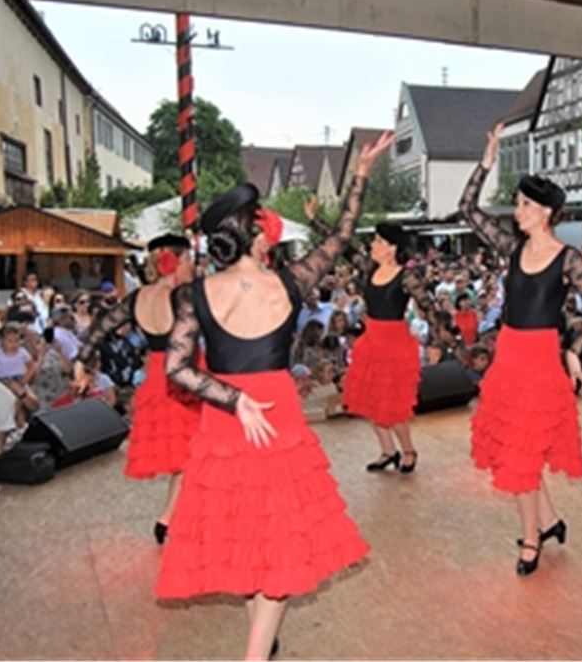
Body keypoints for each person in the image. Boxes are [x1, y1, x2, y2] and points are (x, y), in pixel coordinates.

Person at [158, 133, 390, 660]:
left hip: (226, 422)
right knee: (276, 540)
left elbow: (175, 369)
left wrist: (231, 398)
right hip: (277, 419)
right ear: (254, 231)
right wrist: (361, 172)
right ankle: (257, 651)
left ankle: (257, 648)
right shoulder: (291, 282)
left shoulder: (195, 294)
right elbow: (344, 233)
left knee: (244, 535)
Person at [458, 122, 582, 576]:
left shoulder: (568, 259)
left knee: (523, 452)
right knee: (519, 447)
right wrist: (486, 162)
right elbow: (467, 208)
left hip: (542, 363)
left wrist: (574, 350)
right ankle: (552, 521)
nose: (516, 211)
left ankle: (531, 538)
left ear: (545, 213)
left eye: (524, 204)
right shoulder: (511, 248)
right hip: (509, 360)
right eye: (518, 202)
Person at [73, 234, 200, 545]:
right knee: (197, 453)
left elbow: (100, 328)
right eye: (188, 260)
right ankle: (179, 519)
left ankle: (169, 518)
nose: (192, 266)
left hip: (157, 378)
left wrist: (80, 362)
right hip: (186, 377)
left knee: (188, 457)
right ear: (176, 261)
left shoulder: (137, 298)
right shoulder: (183, 296)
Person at [338, 222, 433, 475]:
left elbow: (429, 306)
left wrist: (436, 341)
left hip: (395, 345)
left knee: (394, 404)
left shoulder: (407, 276)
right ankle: (388, 451)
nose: (372, 245)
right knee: (373, 401)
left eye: (378, 241)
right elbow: (344, 247)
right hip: (371, 342)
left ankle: (409, 450)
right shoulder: (370, 268)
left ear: (391, 248)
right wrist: (316, 221)